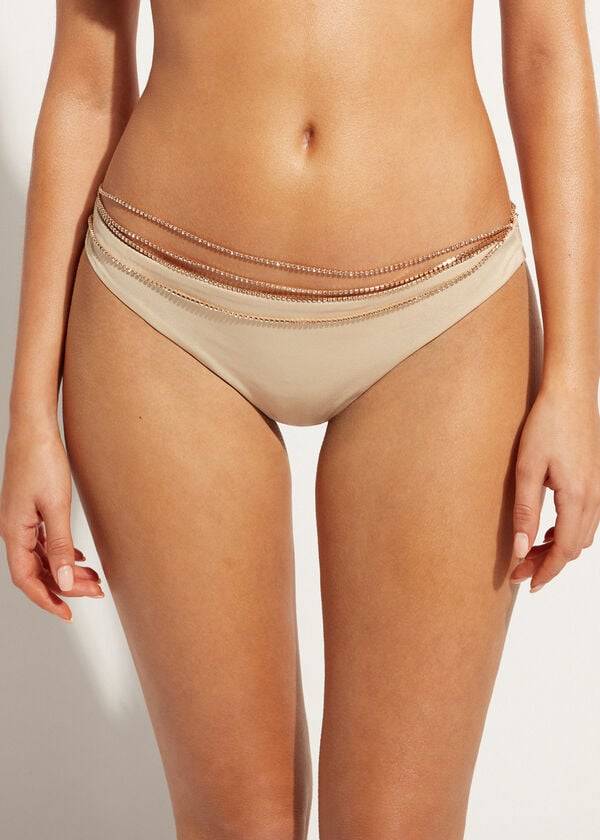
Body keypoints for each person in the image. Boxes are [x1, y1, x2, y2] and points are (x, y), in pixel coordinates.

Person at [1, 2, 599, 838]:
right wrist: (30, 409)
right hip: (162, 312)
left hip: (445, 313)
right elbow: (86, 77)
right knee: (236, 825)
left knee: (400, 827)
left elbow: (546, 51)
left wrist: (575, 378)